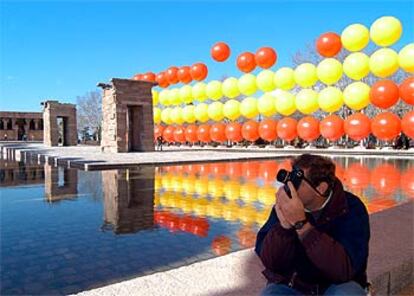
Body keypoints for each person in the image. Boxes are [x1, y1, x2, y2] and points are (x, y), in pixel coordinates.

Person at [255, 154, 370, 296]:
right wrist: (283, 229)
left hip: (336, 285)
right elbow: (271, 262)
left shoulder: (351, 207)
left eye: (297, 181)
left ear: (321, 188)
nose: (289, 186)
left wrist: (302, 226)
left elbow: (344, 269)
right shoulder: (287, 206)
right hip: (294, 285)